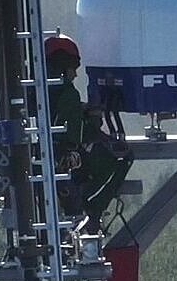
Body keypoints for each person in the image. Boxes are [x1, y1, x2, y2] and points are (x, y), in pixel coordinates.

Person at [45, 34, 132, 231]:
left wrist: (82, 109)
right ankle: (93, 206)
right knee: (122, 156)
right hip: (66, 157)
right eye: (72, 69)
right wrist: (94, 117)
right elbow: (77, 134)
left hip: (46, 154)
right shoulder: (68, 93)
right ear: (63, 66)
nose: (75, 75)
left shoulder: (38, 89)